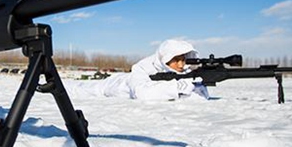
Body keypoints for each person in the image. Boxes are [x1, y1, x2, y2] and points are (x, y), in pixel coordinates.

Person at [66, 39, 209, 101]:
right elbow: (142, 93)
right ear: (165, 58)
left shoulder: (183, 74)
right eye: (176, 59)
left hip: (121, 83)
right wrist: (176, 88)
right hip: (114, 84)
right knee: (78, 88)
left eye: (183, 59)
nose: (180, 64)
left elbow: (200, 95)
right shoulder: (144, 68)